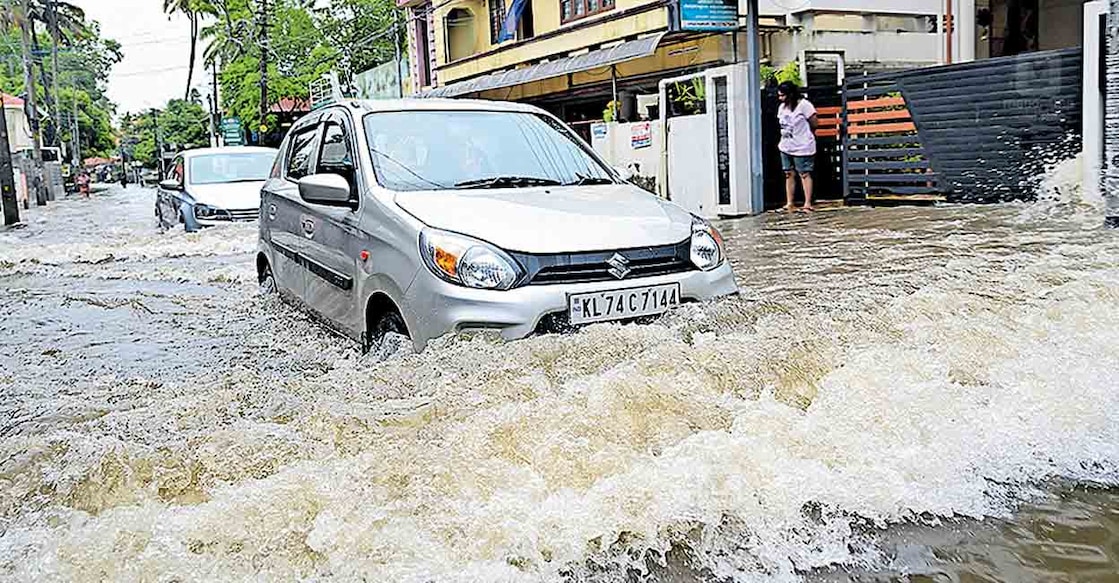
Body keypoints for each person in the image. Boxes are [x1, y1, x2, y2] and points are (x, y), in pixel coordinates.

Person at [776, 81, 818, 213]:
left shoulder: (804, 105)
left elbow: (814, 122)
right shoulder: (782, 108)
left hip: (802, 145)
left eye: (783, 95)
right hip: (786, 145)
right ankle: (790, 203)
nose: (780, 98)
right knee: (788, 173)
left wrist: (806, 134)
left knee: (804, 173)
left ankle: (807, 203)